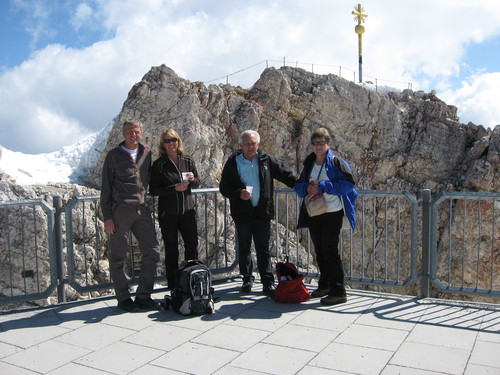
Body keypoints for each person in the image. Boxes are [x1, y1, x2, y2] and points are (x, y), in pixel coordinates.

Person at [219, 130, 297, 298]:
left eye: (253, 143)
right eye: (247, 144)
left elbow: (284, 174)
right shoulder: (233, 162)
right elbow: (224, 187)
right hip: (242, 212)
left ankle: (267, 282)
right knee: (244, 248)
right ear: (240, 145)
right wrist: (239, 193)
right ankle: (247, 278)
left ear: (258, 145)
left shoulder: (265, 159)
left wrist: (301, 186)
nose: (250, 147)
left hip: (262, 212)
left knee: (263, 249)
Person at [100, 118, 161, 312]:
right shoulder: (114, 156)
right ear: (123, 134)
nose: (133, 135)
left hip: (142, 210)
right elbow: (106, 188)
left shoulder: (146, 153)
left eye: (136, 132)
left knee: (152, 251)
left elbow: (150, 179)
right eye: (129, 132)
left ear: (141, 133)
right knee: (117, 256)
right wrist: (108, 217)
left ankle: (144, 296)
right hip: (121, 211)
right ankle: (123, 298)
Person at [295, 127, 357, 306]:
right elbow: (299, 185)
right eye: (315, 143)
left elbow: (348, 185)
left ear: (329, 144)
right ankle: (325, 285)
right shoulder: (309, 164)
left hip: (332, 213)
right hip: (315, 213)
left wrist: (324, 186)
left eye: (322, 143)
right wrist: (306, 188)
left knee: (330, 251)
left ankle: (339, 291)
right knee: (320, 251)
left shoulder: (337, 163)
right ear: (312, 146)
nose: (318, 146)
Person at [150, 128, 199, 289]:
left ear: (178, 141)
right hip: (168, 213)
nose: (171, 143)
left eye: (173, 140)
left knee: (192, 247)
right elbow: (154, 190)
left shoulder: (188, 160)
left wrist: (192, 180)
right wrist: (174, 188)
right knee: (172, 251)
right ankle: (174, 287)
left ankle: (191, 284)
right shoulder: (159, 165)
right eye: (167, 141)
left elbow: (197, 183)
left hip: (188, 211)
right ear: (162, 145)